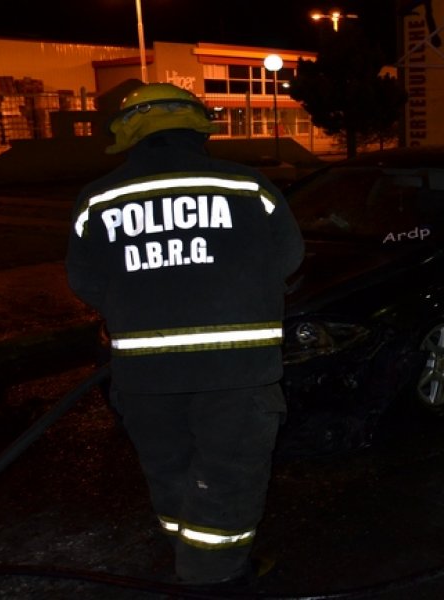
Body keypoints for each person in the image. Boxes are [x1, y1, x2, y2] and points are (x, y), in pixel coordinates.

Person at [66, 82, 304, 589]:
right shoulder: (249, 187)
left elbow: (85, 282)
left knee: (168, 467)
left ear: (126, 135)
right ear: (200, 129)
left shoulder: (98, 199)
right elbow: (288, 258)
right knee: (227, 473)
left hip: (145, 375)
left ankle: (186, 553)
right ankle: (213, 575)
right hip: (237, 370)